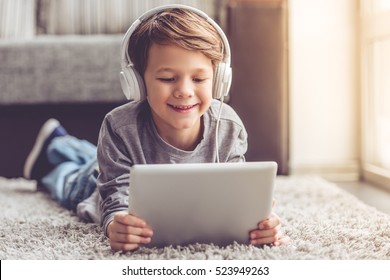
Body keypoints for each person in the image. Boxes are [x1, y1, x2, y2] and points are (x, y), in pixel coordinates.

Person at [23, 5, 290, 252]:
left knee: (94, 159)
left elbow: (237, 195)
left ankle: (63, 143)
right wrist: (116, 223)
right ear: (137, 82)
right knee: (70, 180)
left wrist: (260, 223)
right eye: (167, 78)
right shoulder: (119, 127)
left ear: (219, 81)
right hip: (97, 182)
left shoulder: (228, 127)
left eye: (199, 79)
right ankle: (54, 148)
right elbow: (115, 197)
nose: (184, 91)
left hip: (117, 161)